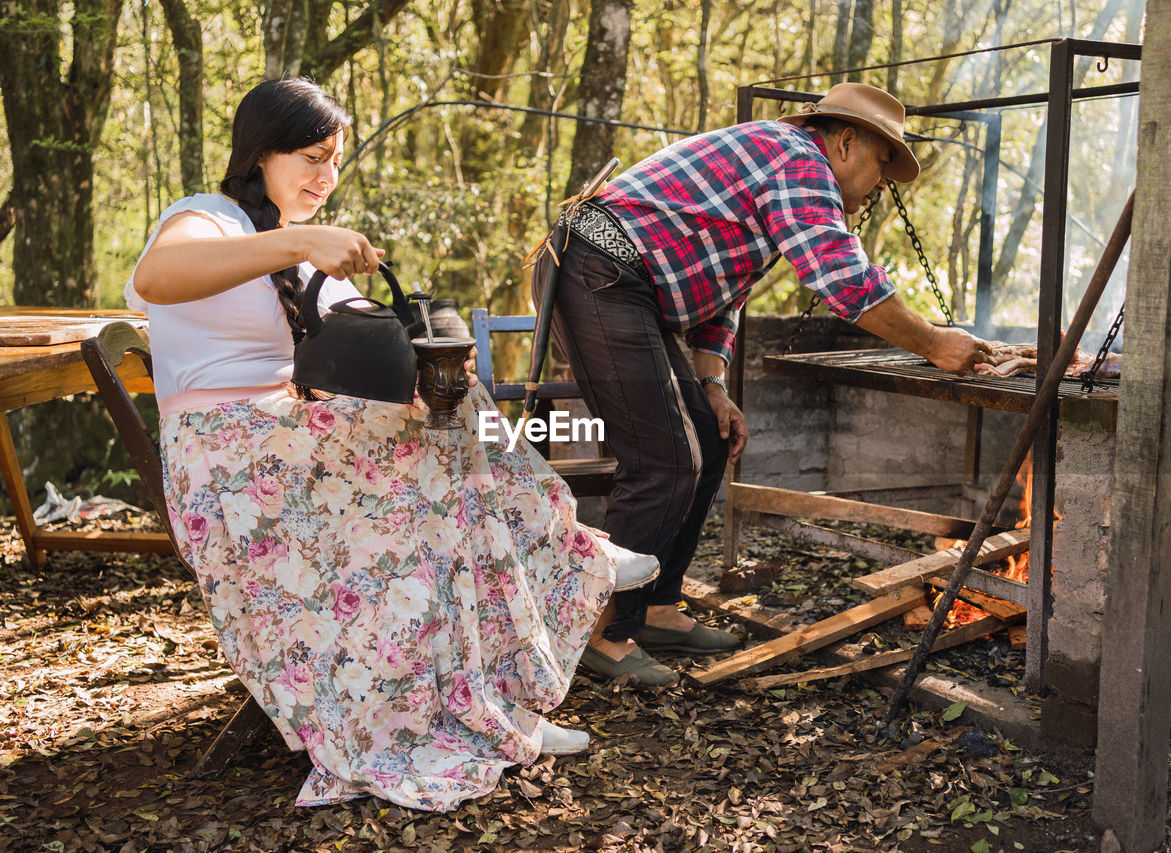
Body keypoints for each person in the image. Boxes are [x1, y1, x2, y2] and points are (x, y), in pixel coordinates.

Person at [125, 77, 659, 812]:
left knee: (442, 421)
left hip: (281, 449)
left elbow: (378, 328)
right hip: (227, 464)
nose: (326, 176)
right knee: (436, 473)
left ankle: (495, 705)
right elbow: (156, 275)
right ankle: (566, 555)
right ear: (262, 151)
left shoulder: (297, 255)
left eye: (335, 161)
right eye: (313, 156)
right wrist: (300, 238)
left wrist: (428, 352)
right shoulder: (208, 217)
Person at [532, 82, 993, 686]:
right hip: (599, 270)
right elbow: (841, 279)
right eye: (884, 163)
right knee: (666, 460)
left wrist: (714, 387)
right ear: (848, 141)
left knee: (708, 435)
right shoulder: (799, 158)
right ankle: (600, 630)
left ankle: (659, 609)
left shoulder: (779, 175)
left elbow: (724, 290)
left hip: (632, 285)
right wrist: (935, 343)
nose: (884, 184)